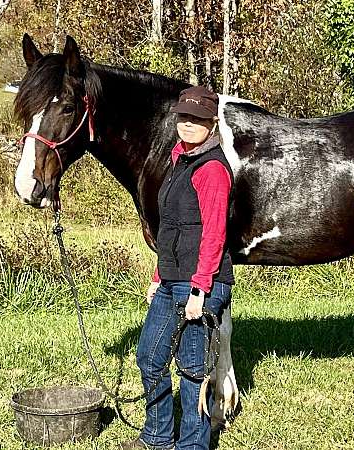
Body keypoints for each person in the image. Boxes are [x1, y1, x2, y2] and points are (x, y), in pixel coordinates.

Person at [121, 86, 234, 450]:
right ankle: (157, 437)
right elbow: (170, 226)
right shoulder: (177, 160)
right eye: (184, 117)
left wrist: (200, 290)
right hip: (172, 278)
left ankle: (192, 445)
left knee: (191, 369)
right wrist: (158, 275)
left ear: (212, 123)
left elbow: (214, 235)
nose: (188, 124)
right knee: (150, 358)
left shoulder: (212, 169)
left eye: (198, 119)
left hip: (201, 283)